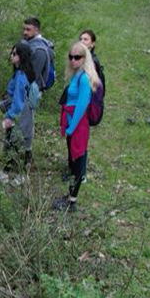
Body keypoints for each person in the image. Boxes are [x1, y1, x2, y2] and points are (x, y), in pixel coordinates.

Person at [54, 42, 101, 212]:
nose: (73, 60)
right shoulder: (76, 75)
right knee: (74, 160)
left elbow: (82, 105)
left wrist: (71, 128)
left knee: (78, 159)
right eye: (71, 57)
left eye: (77, 57)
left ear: (84, 58)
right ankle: (70, 196)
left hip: (78, 125)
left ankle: (72, 201)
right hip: (72, 123)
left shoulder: (84, 78)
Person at [0, 42, 36, 186]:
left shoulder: (21, 76)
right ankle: (17, 174)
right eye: (12, 53)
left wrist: (10, 117)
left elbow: (18, 100)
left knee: (13, 143)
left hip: (20, 114)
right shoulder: (23, 73)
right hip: (26, 113)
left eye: (15, 54)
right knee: (21, 143)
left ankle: (10, 173)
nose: (12, 56)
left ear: (22, 56)